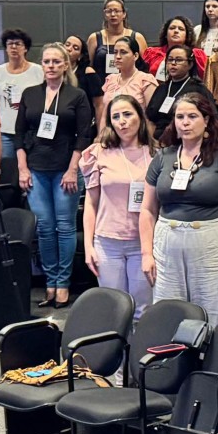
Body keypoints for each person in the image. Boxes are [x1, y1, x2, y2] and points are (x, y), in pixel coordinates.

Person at [140, 85, 218, 320]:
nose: (185, 123)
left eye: (192, 116)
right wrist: (146, 253)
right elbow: (147, 209)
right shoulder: (163, 157)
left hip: (211, 243)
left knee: (213, 313)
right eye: (180, 117)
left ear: (206, 120)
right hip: (167, 243)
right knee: (169, 313)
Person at [14, 43, 95, 309]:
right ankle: (50, 282)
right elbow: (19, 134)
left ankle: (63, 283)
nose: (51, 66)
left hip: (65, 170)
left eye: (56, 62)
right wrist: (22, 168)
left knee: (65, 227)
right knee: (44, 228)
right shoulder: (30, 94)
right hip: (36, 169)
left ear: (65, 65)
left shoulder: (77, 95)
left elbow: (84, 135)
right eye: (47, 61)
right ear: (42, 65)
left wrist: (73, 169)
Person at [82, 95, 155, 315]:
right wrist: (88, 245)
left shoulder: (156, 153)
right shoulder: (98, 153)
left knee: (142, 310)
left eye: (127, 114)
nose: (122, 121)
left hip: (143, 243)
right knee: (113, 310)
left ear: (140, 117)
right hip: (107, 243)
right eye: (115, 116)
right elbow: (91, 203)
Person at [0, 29, 44, 176]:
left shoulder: (38, 70)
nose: (14, 47)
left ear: (25, 48)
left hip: (31, 130)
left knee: (32, 169)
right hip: (5, 130)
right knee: (8, 169)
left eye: (18, 44)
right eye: (10, 44)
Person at [145, 44, 203, 135]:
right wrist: (151, 140)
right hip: (156, 139)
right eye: (170, 59)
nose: (173, 63)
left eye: (178, 60)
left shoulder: (198, 90)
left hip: (184, 137)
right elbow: (150, 119)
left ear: (190, 64)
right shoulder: (161, 88)